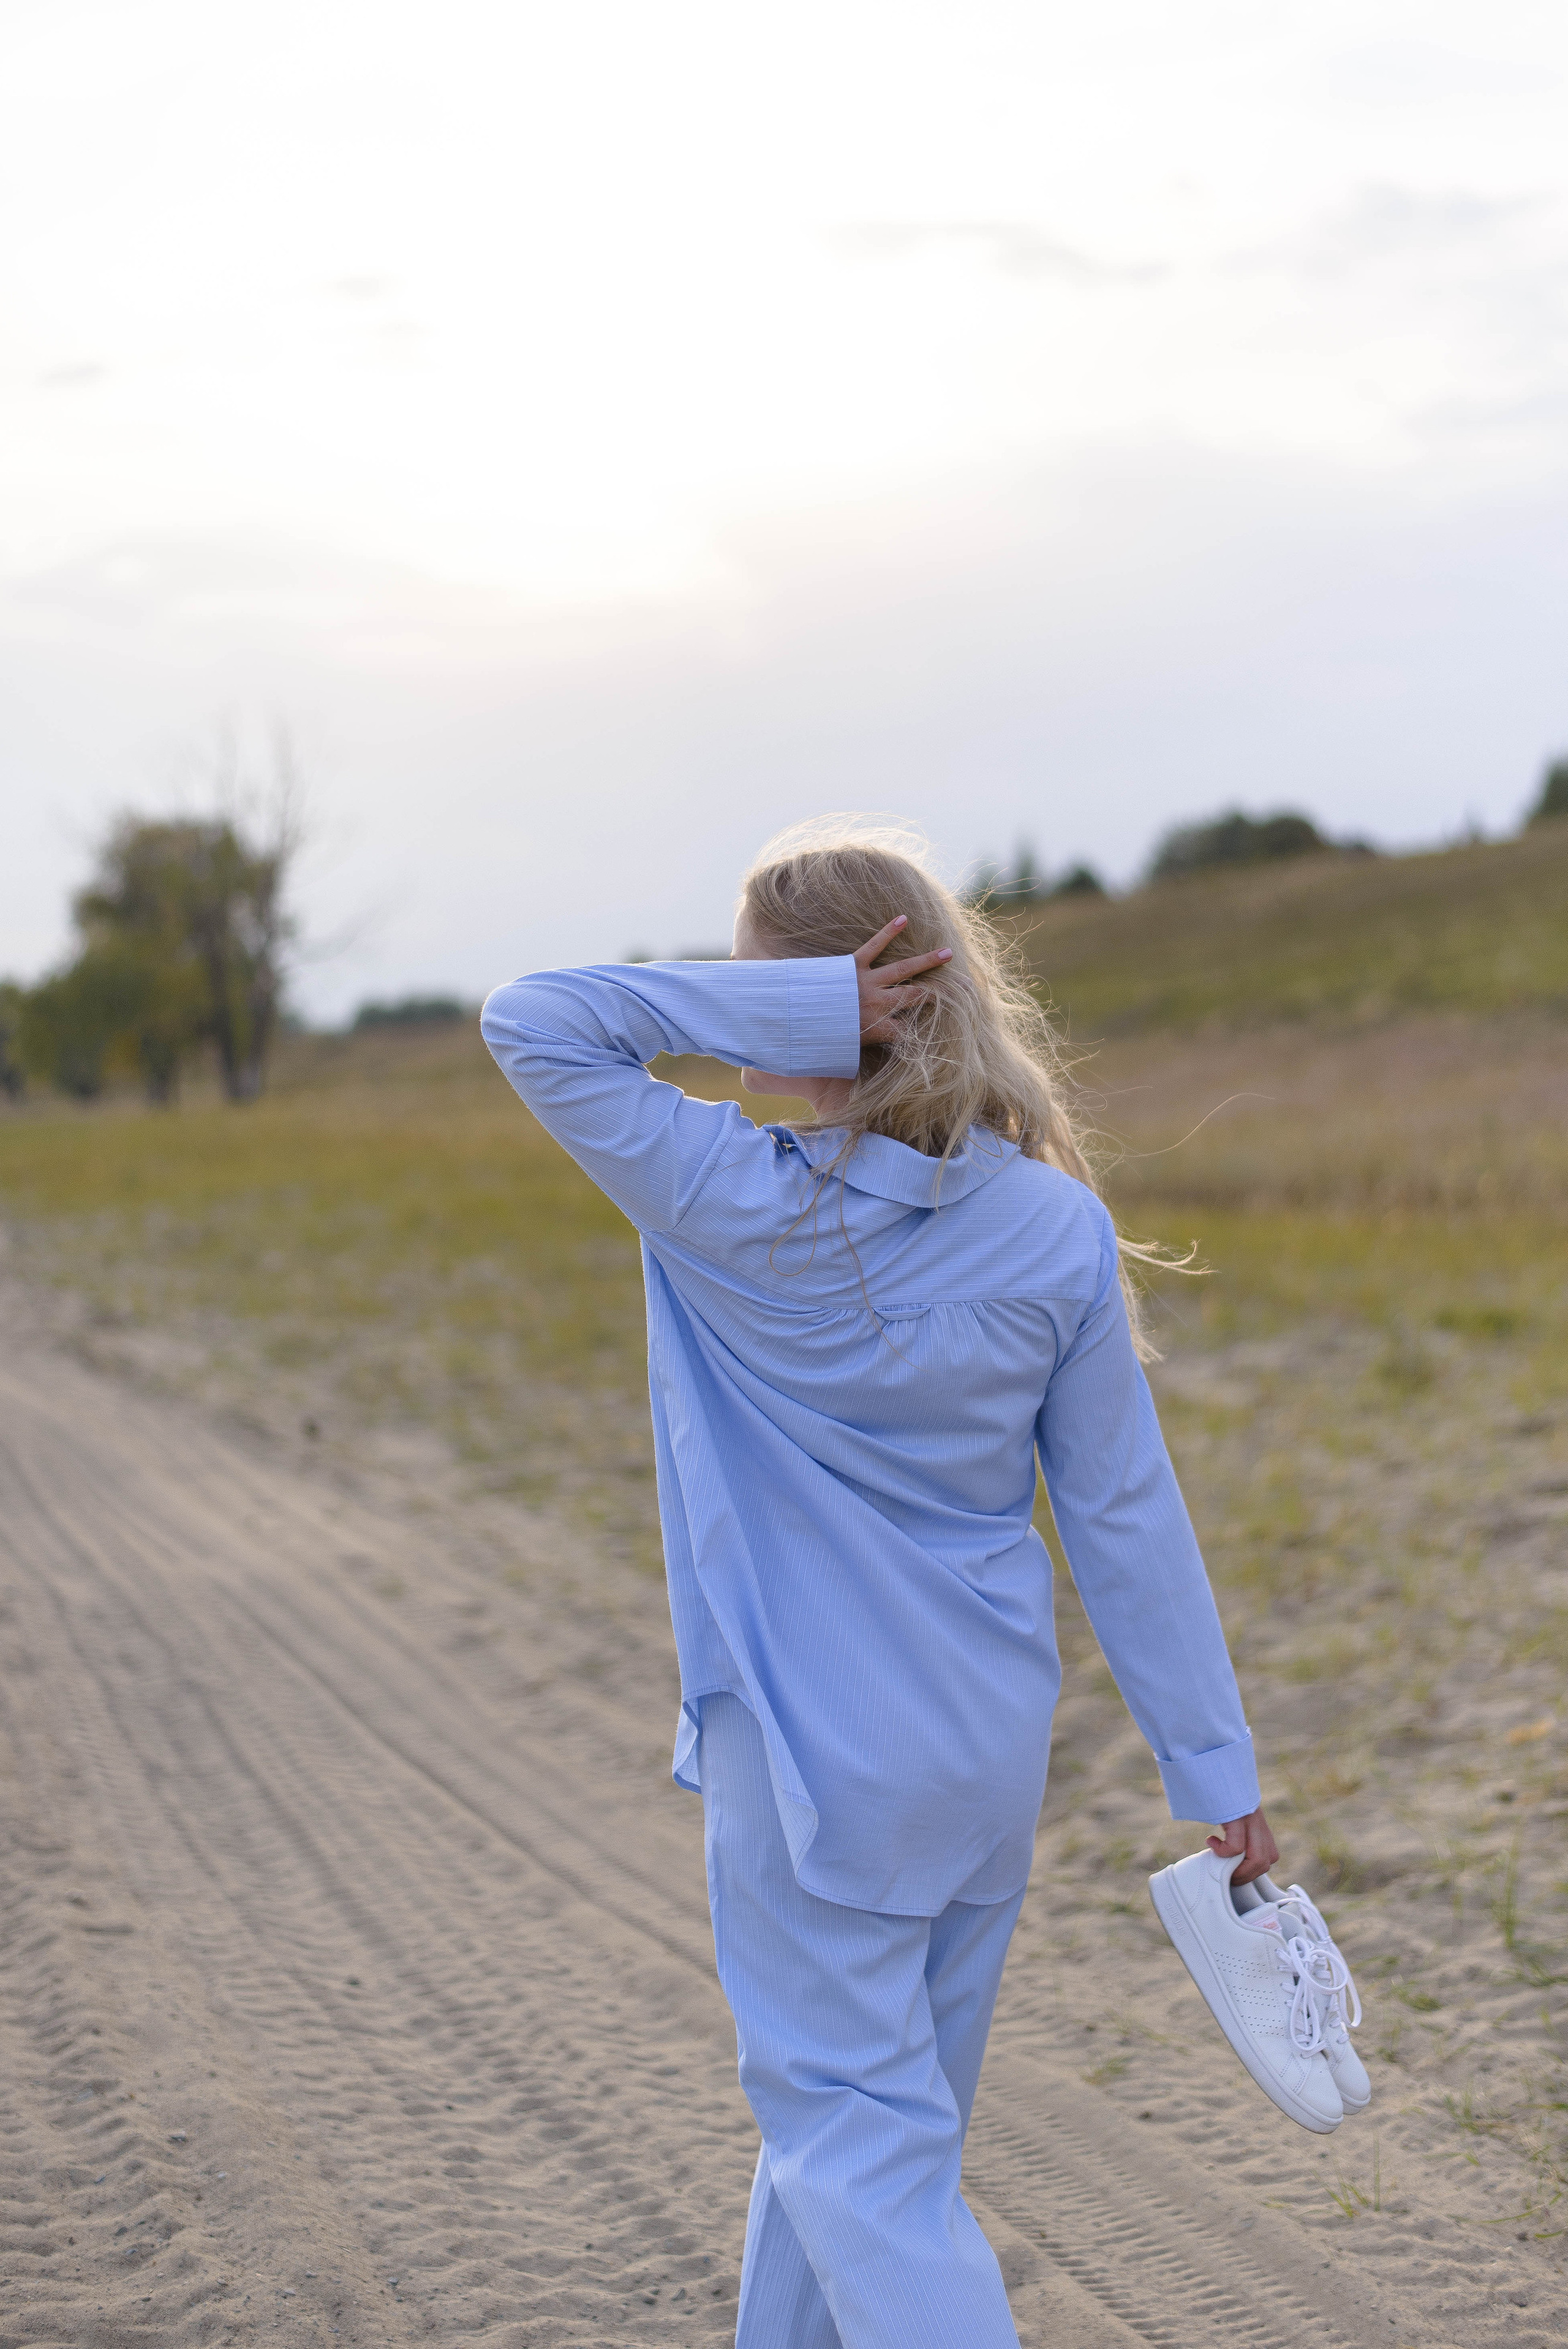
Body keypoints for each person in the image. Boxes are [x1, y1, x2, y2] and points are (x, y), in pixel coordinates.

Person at [481, 823, 1276, 2349]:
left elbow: (536, 1019)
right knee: (868, 2147)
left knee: (857, 2149)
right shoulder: (1051, 1221)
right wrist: (1213, 1768)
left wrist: (796, 1014)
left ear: (834, 999)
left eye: (762, 987)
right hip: (981, 1754)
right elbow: (1123, 1517)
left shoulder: (725, 1193)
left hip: (809, 1766)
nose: (746, 1015)